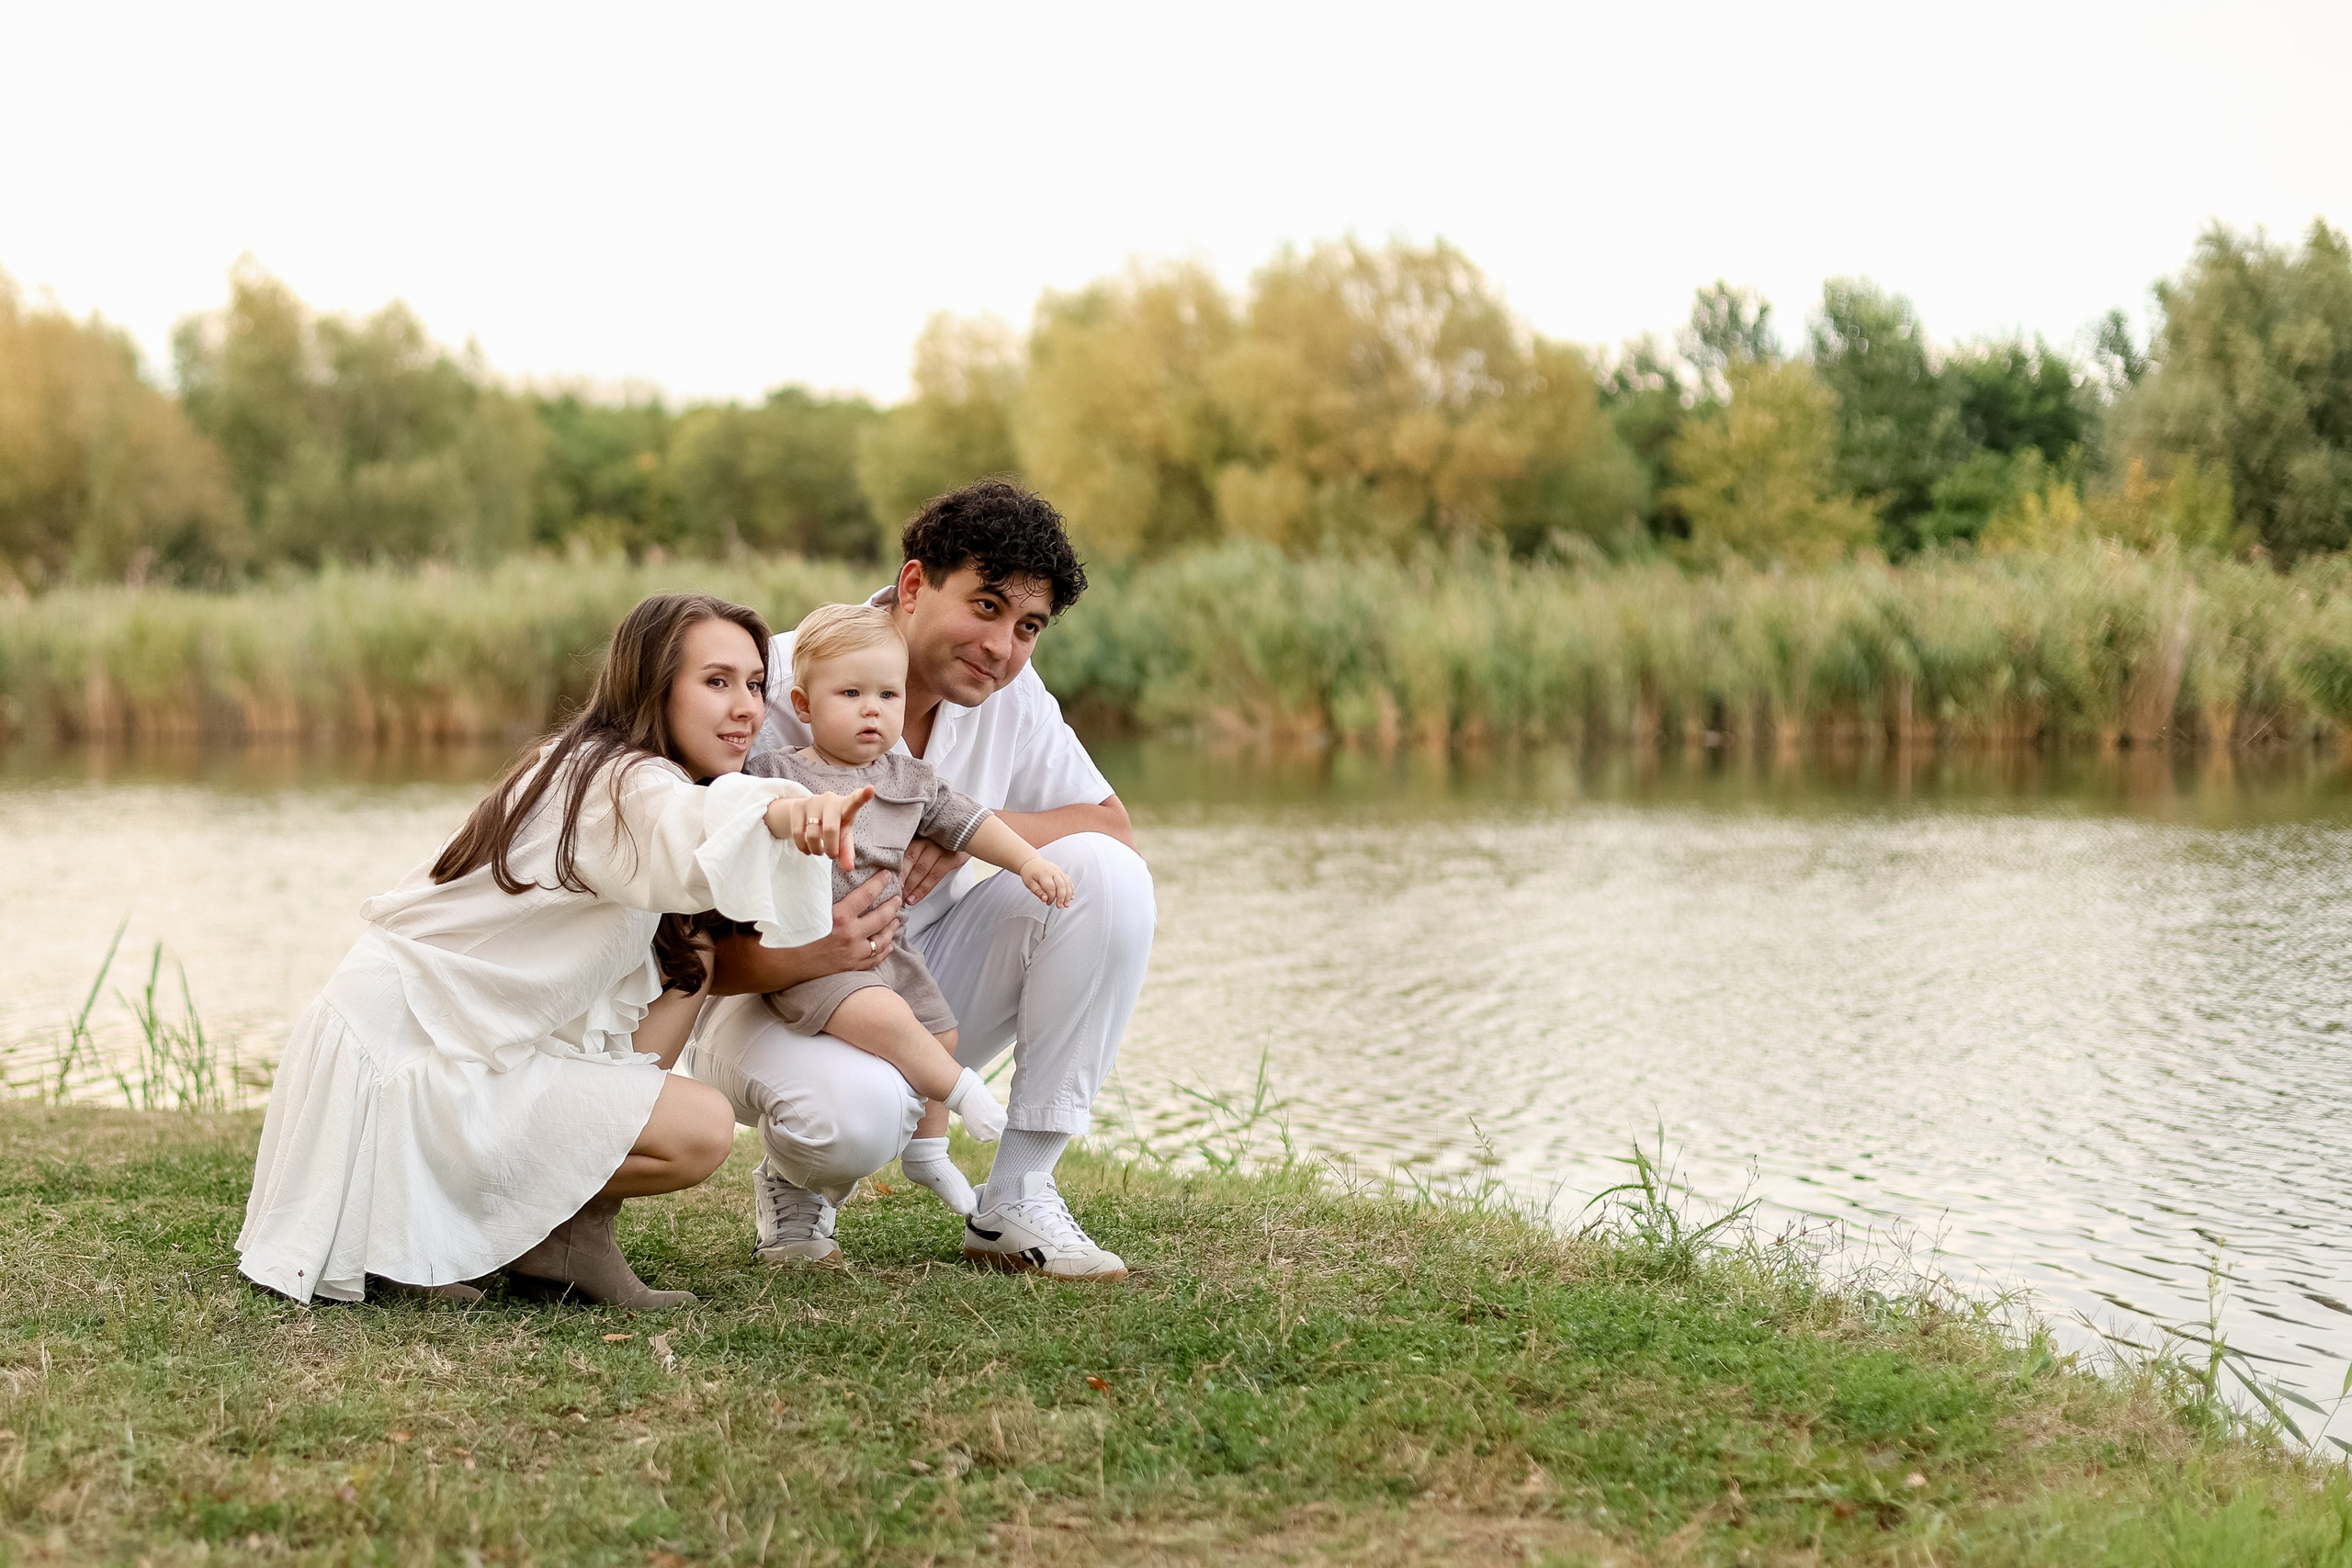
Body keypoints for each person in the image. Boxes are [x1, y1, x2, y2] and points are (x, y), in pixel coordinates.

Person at [236, 592, 864, 1309]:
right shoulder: (617, 780)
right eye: (716, 681)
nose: (746, 707)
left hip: (441, 1039)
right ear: (653, 686)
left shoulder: (582, 763)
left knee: (691, 953)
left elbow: (683, 849)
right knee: (702, 1128)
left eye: (755, 684)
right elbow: (689, 820)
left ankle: (566, 1239)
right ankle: (410, 1228)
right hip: (410, 1051)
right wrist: (786, 811)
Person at [685, 479, 1155, 1281]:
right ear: (913, 585)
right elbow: (669, 899)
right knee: (855, 1120)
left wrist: (968, 839)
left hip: (905, 973)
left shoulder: (1010, 696)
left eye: (1028, 627)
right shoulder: (771, 677)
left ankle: (1017, 1194)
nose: (1003, 646)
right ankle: (799, 1179)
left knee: (1108, 876)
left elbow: (1111, 823)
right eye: (987, 606)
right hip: (752, 991)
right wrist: (807, 954)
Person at [742, 601, 1080, 1217]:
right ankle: (964, 1094)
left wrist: (1028, 861)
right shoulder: (778, 774)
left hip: (889, 950)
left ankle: (927, 1152)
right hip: (810, 959)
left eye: (888, 695)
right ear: (804, 707)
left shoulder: (909, 779)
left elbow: (970, 821)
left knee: (940, 1030)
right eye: (850, 693)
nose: (873, 709)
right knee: (889, 1022)